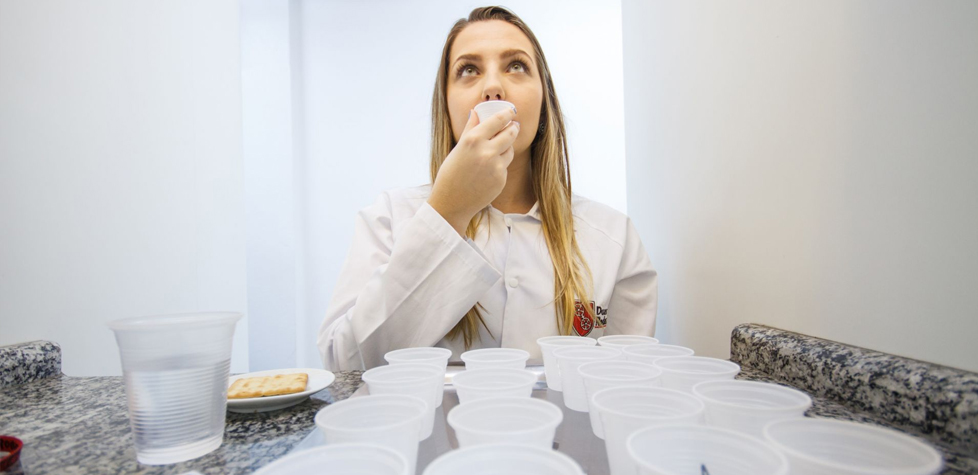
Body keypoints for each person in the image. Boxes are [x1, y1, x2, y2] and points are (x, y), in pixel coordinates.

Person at [317, 6, 657, 371]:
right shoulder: (389, 218)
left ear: (544, 103)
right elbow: (345, 367)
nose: (493, 86)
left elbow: (629, 381)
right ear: (446, 105)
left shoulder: (614, 238)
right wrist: (447, 213)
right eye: (468, 70)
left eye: (516, 65)